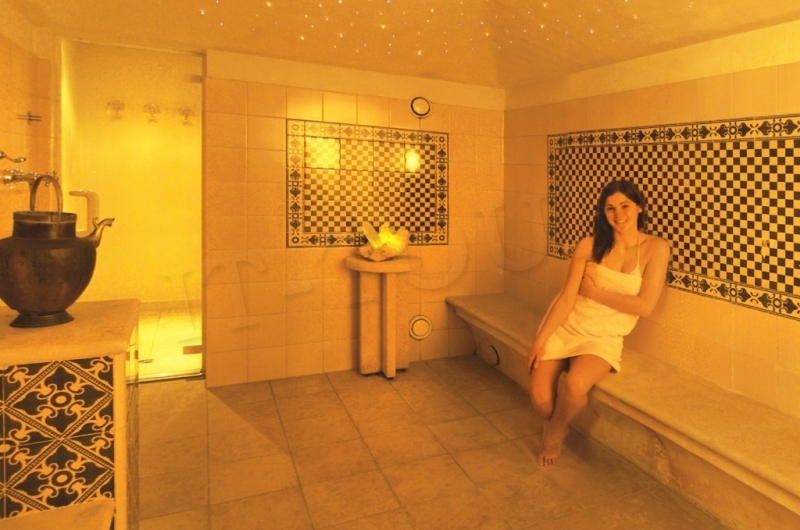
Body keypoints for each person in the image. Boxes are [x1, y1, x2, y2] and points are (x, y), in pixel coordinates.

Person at [527, 179, 671, 466]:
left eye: (625, 206)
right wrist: (540, 341)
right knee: (540, 400)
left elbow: (644, 306)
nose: (619, 214)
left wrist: (594, 292)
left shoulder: (656, 248)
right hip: (568, 325)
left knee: (575, 385)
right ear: (603, 213)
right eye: (610, 208)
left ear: (639, 207)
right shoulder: (589, 245)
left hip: (603, 336)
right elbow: (567, 299)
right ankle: (557, 420)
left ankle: (555, 432)